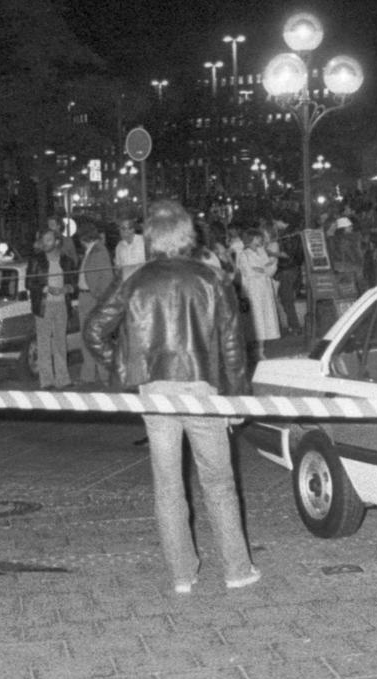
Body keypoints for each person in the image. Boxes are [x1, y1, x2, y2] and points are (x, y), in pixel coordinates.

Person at [83, 199, 259, 595]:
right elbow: (234, 348)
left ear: (152, 238)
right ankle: (237, 569)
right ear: (188, 235)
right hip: (203, 389)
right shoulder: (213, 280)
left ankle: (182, 575)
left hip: (155, 391)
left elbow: (94, 330)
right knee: (218, 483)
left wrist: (126, 367)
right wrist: (237, 401)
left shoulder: (135, 280)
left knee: (167, 485)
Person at [26, 228, 78, 390]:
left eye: (48, 240)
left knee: (60, 341)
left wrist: (65, 289)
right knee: (43, 343)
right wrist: (46, 288)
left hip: (61, 305)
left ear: (57, 242)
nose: (45, 243)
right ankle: (46, 380)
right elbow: (29, 283)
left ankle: (63, 378)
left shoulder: (67, 261)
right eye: (43, 240)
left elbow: (74, 284)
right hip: (44, 305)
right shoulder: (36, 260)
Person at [75, 222, 116, 386]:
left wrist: (100, 298)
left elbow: (106, 278)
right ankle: (88, 375)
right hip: (85, 296)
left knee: (97, 336)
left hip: (93, 298)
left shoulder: (99, 251)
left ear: (83, 237)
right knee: (86, 336)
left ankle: (105, 375)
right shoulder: (90, 251)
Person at [233, 228, 281, 360]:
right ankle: (256, 350)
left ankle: (262, 348)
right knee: (257, 317)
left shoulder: (261, 252)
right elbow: (248, 272)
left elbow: (269, 271)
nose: (260, 240)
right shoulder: (244, 254)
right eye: (257, 238)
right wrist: (263, 269)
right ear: (251, 239)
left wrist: (268, 266)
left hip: (265, 289)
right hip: (253, 290)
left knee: (265, 317)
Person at [114, 218, 147, 282]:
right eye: (120, 229)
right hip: (127, 283)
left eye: (123, 228)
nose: (121, 232)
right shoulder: (119, 246)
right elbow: (118, 267)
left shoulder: (143, 241)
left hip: (143, 281)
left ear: (132, 230)